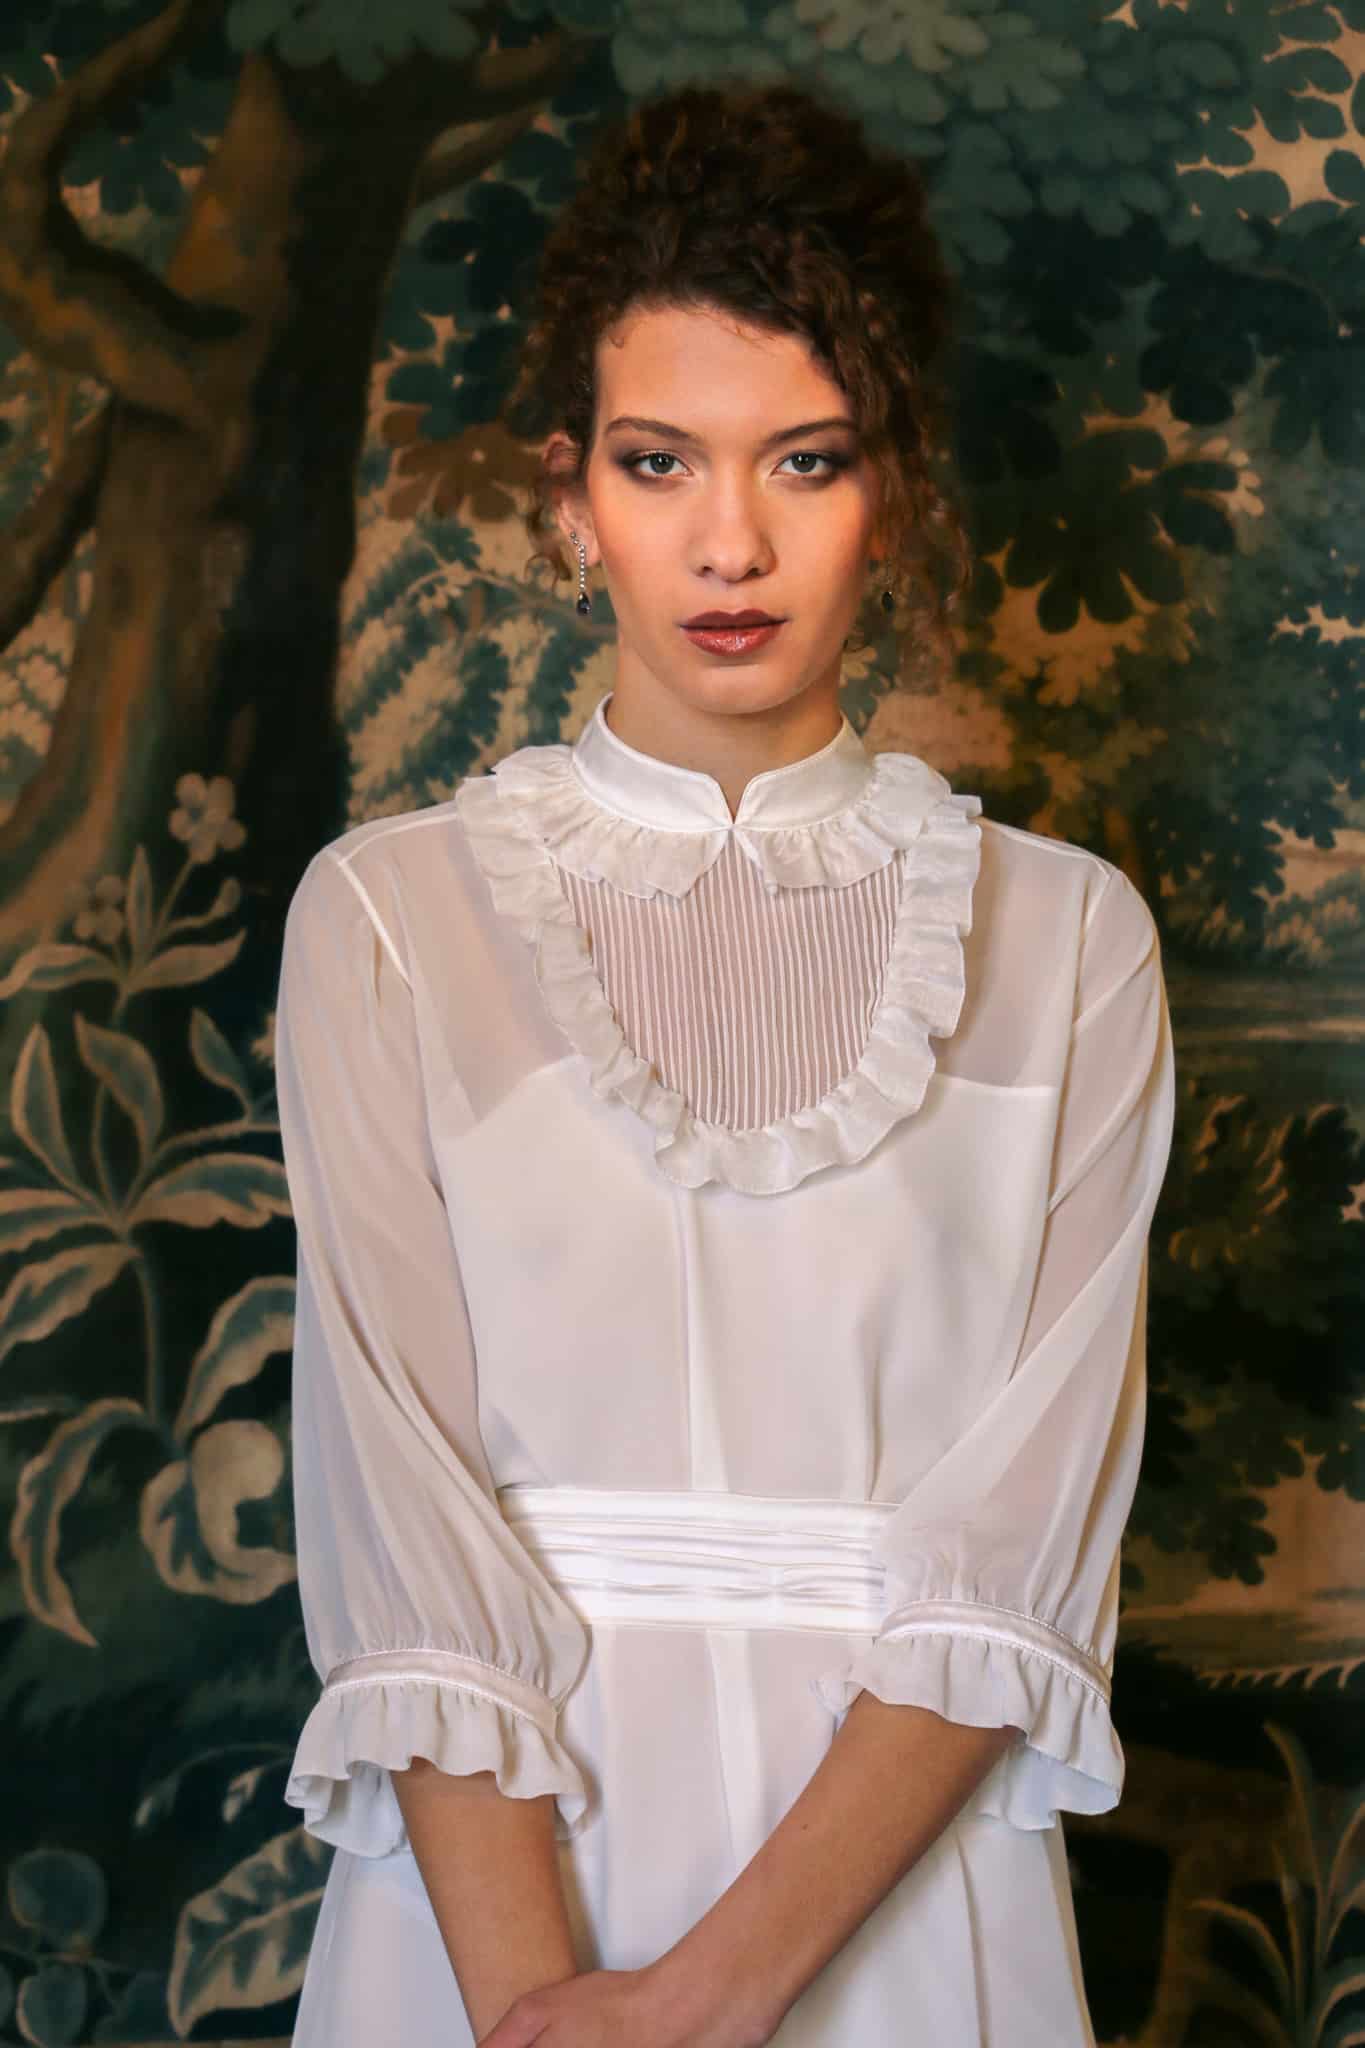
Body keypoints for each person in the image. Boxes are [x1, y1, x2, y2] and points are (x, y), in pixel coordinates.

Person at [273, 79, 1176, 2048]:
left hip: (903, 1902)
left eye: (806, 461)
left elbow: (1014, 1553)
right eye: (659, 461)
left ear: (890, 490)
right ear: (568, 494)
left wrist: (698, 2003)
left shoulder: (1067, 945)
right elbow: (401, 1518)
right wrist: (543, 2015)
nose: (730, 541)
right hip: (493, 1907)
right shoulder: (385, 920)